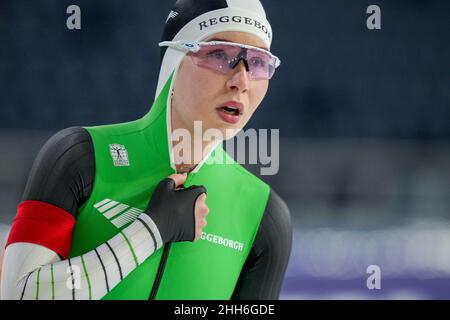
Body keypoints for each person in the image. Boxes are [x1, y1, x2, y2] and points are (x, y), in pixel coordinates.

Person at [1, 0, 292, 300]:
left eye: (258, 62)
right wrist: (150, 231)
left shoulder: (264, 215)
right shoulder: (80, 158)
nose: (241, 81)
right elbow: (19, 294)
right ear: (174, 60)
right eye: (219, 54)